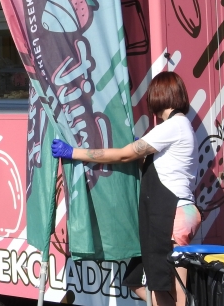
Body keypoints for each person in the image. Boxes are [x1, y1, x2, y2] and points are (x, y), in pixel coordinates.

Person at [51, 71, 201, 306]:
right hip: (179, 213)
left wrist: (73, 152)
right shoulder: (182, 126)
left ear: (159, 96)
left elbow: (124, 155)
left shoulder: (173, 126)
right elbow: (147, 164)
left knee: (174, 291)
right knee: (139, 280)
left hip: (172, 215)